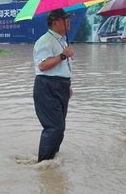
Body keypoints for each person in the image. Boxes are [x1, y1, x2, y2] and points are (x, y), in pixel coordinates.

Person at [33, 9, 74, 162]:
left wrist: (67, 86)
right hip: (47, 87)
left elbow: (62, 67)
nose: (68, 22)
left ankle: (52, 159)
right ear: (55, 22)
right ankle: (43, 164)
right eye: (65, 19)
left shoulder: (62, 40)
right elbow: (42, 66)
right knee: (54, 127)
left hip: (61, 86)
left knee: (60, 127)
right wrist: (63, 55)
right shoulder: (45, 41)